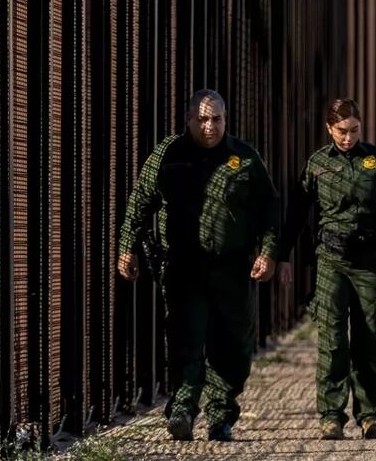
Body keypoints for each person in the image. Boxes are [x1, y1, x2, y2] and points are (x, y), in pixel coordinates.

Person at [117, 89, 279, 443]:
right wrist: (127, 248)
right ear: (189, 119)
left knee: (232, 347)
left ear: (225, 119)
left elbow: (270, 208)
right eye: (203, 119)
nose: (210, 127)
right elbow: (140, 203)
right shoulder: (168, 155)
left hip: (231, 269)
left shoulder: (244, 158)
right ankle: (183, 409)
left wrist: (267, 253)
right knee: (185, 339)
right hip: (184, 266)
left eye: (216, 119)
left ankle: (221, 415)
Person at [289, 99, 376, 441]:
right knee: (332, 340)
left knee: (369, 337)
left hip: (370, 261)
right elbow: (296, 213)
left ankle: (369, 415)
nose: (348, 138)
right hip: (331, 261)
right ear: (329, 128)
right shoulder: (317, 164)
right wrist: (283, 257)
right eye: (342, 131)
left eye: (354, 130)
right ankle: (331, 415)